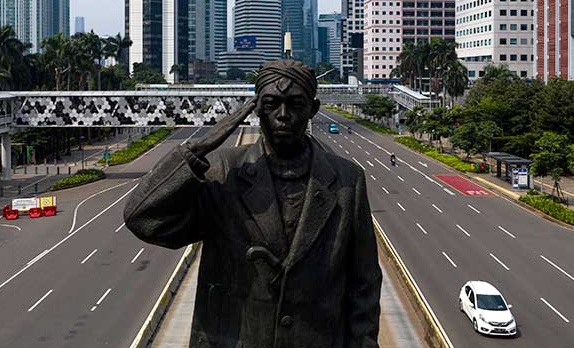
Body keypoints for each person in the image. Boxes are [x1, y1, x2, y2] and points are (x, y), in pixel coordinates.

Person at [123, 60, 381, 348]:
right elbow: (141, 218)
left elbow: (364, 284)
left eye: (295, 104)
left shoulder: (347, 181)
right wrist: (192, 153)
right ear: (257, 108)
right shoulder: (224, 173)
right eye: (272, 104)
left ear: (313, 109)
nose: (283, 115)